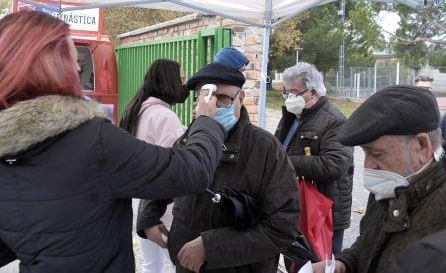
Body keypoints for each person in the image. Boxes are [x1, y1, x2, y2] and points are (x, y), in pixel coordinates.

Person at [0, 11, 225, 272]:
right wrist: (207, 121)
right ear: (52, 67)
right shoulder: (92, 142)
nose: (77, 68)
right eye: (74, 60)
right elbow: (192, 171)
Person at [137, 62, 300, 272]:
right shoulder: (190, 140)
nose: (212, 107)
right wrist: (148, 217)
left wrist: (211, 247)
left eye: (222, 98)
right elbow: (164, 177)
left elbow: (283, 226)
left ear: (240, 99)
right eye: (206, 99)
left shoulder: (266, 149)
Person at [313, 85, 446, 273]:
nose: (368, 165)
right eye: (365, 153)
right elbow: (369, 241)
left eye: (377, 153)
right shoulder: (391, 185)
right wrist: (344, 264)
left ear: (422, 145)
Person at [275, 63, 354, 256]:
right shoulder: (293, 115)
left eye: (294, 92)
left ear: (313, 92)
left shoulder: (334, 120)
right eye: (287, 93)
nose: (290, 98)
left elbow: (334, 164)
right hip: (294, 207)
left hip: (322, 211)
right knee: (295, 261)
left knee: (319, 263)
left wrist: (286, 163)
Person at [120, 59, 189, 273]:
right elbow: (175, 169)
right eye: (182, 79)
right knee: (174, 262)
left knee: (151, 265)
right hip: (160, 206)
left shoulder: (136, 110)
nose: (185, 85)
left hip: (137, 202)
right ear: (169, 81)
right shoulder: (164, 117)